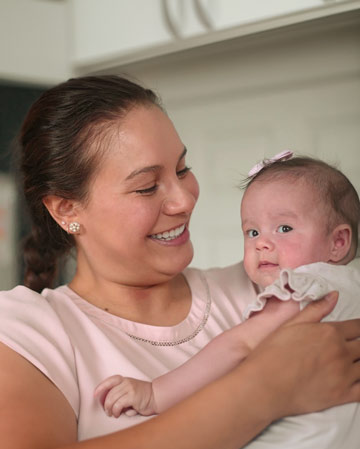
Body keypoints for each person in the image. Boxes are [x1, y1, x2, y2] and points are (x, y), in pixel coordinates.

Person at [0, 75, 359, 449]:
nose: (184, 199)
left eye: (182, 168)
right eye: (147, 187)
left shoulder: (272, 286)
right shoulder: (29, 332)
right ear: (67, 210)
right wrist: (261, 391)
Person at [94, 151, 360, 416]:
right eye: (252, 232)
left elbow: (238, 346)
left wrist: (155, 394)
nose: (261, 243)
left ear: (338, 242)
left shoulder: (302, 288)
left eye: (284, 228)